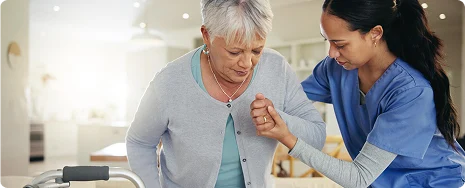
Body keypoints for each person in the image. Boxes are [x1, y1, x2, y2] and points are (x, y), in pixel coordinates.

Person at [254, 0, 465, 187]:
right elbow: (290, 99)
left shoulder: (411, 92)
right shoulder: (335, 68)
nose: (331, 53)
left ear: (375, 34)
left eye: (340, 44)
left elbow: (359, 177)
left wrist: (288, 138)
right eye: (327, 41)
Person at [125, 0, 326, 187]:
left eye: (257, 51)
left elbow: (317, 136)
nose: (247, 64)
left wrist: (281, 121)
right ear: (207, 36)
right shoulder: (169, 82)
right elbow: (139, 143)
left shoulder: (277, 69)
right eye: (235, 52)